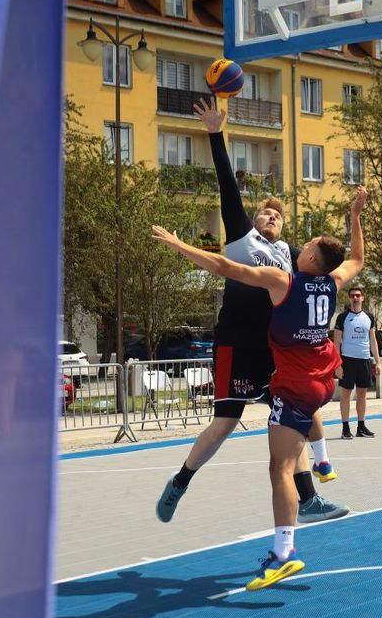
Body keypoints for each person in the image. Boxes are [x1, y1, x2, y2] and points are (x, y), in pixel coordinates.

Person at [151, 185, 367, 591]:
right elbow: (357, 257)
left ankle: (285, 552)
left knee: (278, 467)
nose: (298, 244)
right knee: (292, 438)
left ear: (308, 258)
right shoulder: (333, 282)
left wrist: (179, 244)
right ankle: (320, 472)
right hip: (323, 378)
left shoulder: (283, 282)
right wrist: (355, 214)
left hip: (294, 381)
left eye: (305, 244)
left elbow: (224, 269)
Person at [155, 98, 345, 527]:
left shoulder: (292, 256)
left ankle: (311, 494)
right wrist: (215, 134)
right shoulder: (244, 240)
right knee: (225, 422)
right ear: (254, 219)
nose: (271, 216)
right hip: (236, 344)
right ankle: (181, 481)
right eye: (265, 212)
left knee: (295, 414)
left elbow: (328, 265)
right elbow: (228, 188)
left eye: (278, 214)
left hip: (273, 349)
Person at [333, 286, 379, 439]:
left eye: (358, 295)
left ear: (362, 298)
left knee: (362, 394)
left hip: (364, 359)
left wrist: (377, 362)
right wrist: (337, 364)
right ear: (349, 298)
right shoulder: (342, 317)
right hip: (347, 359)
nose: (355, 298)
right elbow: (336, 342)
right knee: (346, 394)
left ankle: (361, 426)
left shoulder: (369, 317)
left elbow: (373, 340)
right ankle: (345, 428)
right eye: (352, 295)